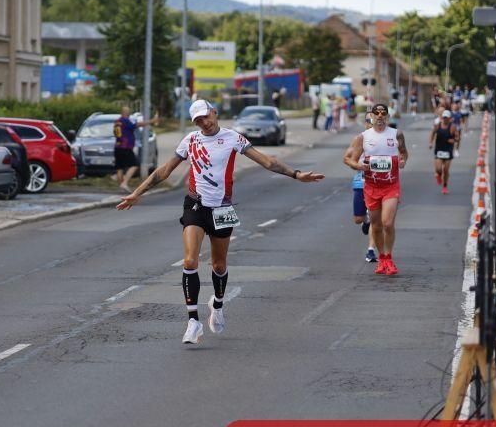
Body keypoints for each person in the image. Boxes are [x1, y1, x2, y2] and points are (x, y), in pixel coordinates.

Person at [116, 100, 325, 344]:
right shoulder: (191, 141)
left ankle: (217, 303)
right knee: (190, 260)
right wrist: (137, 193)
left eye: (206, 117)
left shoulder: (233, 138)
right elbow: (164, 170)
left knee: (218, 264)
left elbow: (267, 161)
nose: (204, 123)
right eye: (198, 121)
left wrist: (296, 174)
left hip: (223, 208)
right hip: (195, 205)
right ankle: (193, 321)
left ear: (214, 113)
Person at [343, 103, 409, 275]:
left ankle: (389, 257)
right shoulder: (363, 137)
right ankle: (382, 258)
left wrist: (402, 161)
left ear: (387, 116)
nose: (380, 116)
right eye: (376, 113)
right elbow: (348, 159)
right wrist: (359, 166)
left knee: (388, 223)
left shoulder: (396, 134)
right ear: (371, 116)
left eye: (383, 113)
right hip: (371, 186)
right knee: (376, 225)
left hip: (390, 185)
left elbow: (404, 152)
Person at [113, 106, 159, 192]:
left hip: (117, 147)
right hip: (125, 147)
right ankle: (124, 183)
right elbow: (137, 125)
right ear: (126, 113)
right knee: (134, 165)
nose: (129, 113)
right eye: (128, 112)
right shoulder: (126, 121)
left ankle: (121, 187)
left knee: (119, 168)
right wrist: (151, 121)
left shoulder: (118, 121)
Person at [353, 112, 378, 262]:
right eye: (369, 121)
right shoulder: (359, 139)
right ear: (365, 123)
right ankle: (365, 221)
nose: (371, 123)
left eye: (374, 120)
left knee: (376, 219)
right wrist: (360, 166)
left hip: (377, 184)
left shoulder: (384, 140)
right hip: (360, 183)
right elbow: (349, 159)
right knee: (358, 219)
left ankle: (370, 251)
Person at [429, 111, 457, 194]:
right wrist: (430, 143)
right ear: (442, 118)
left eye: (446, 118)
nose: (445, 119)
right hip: (439, 149)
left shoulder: (452, 127)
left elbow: (457, 137)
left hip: (448, 150)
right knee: (438, 169)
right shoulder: (438, 126)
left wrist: (453, 140)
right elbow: (432, 133)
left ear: (449, 118)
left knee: (446, 170)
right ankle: (439, 175)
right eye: (444, 117)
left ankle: (445, 186)